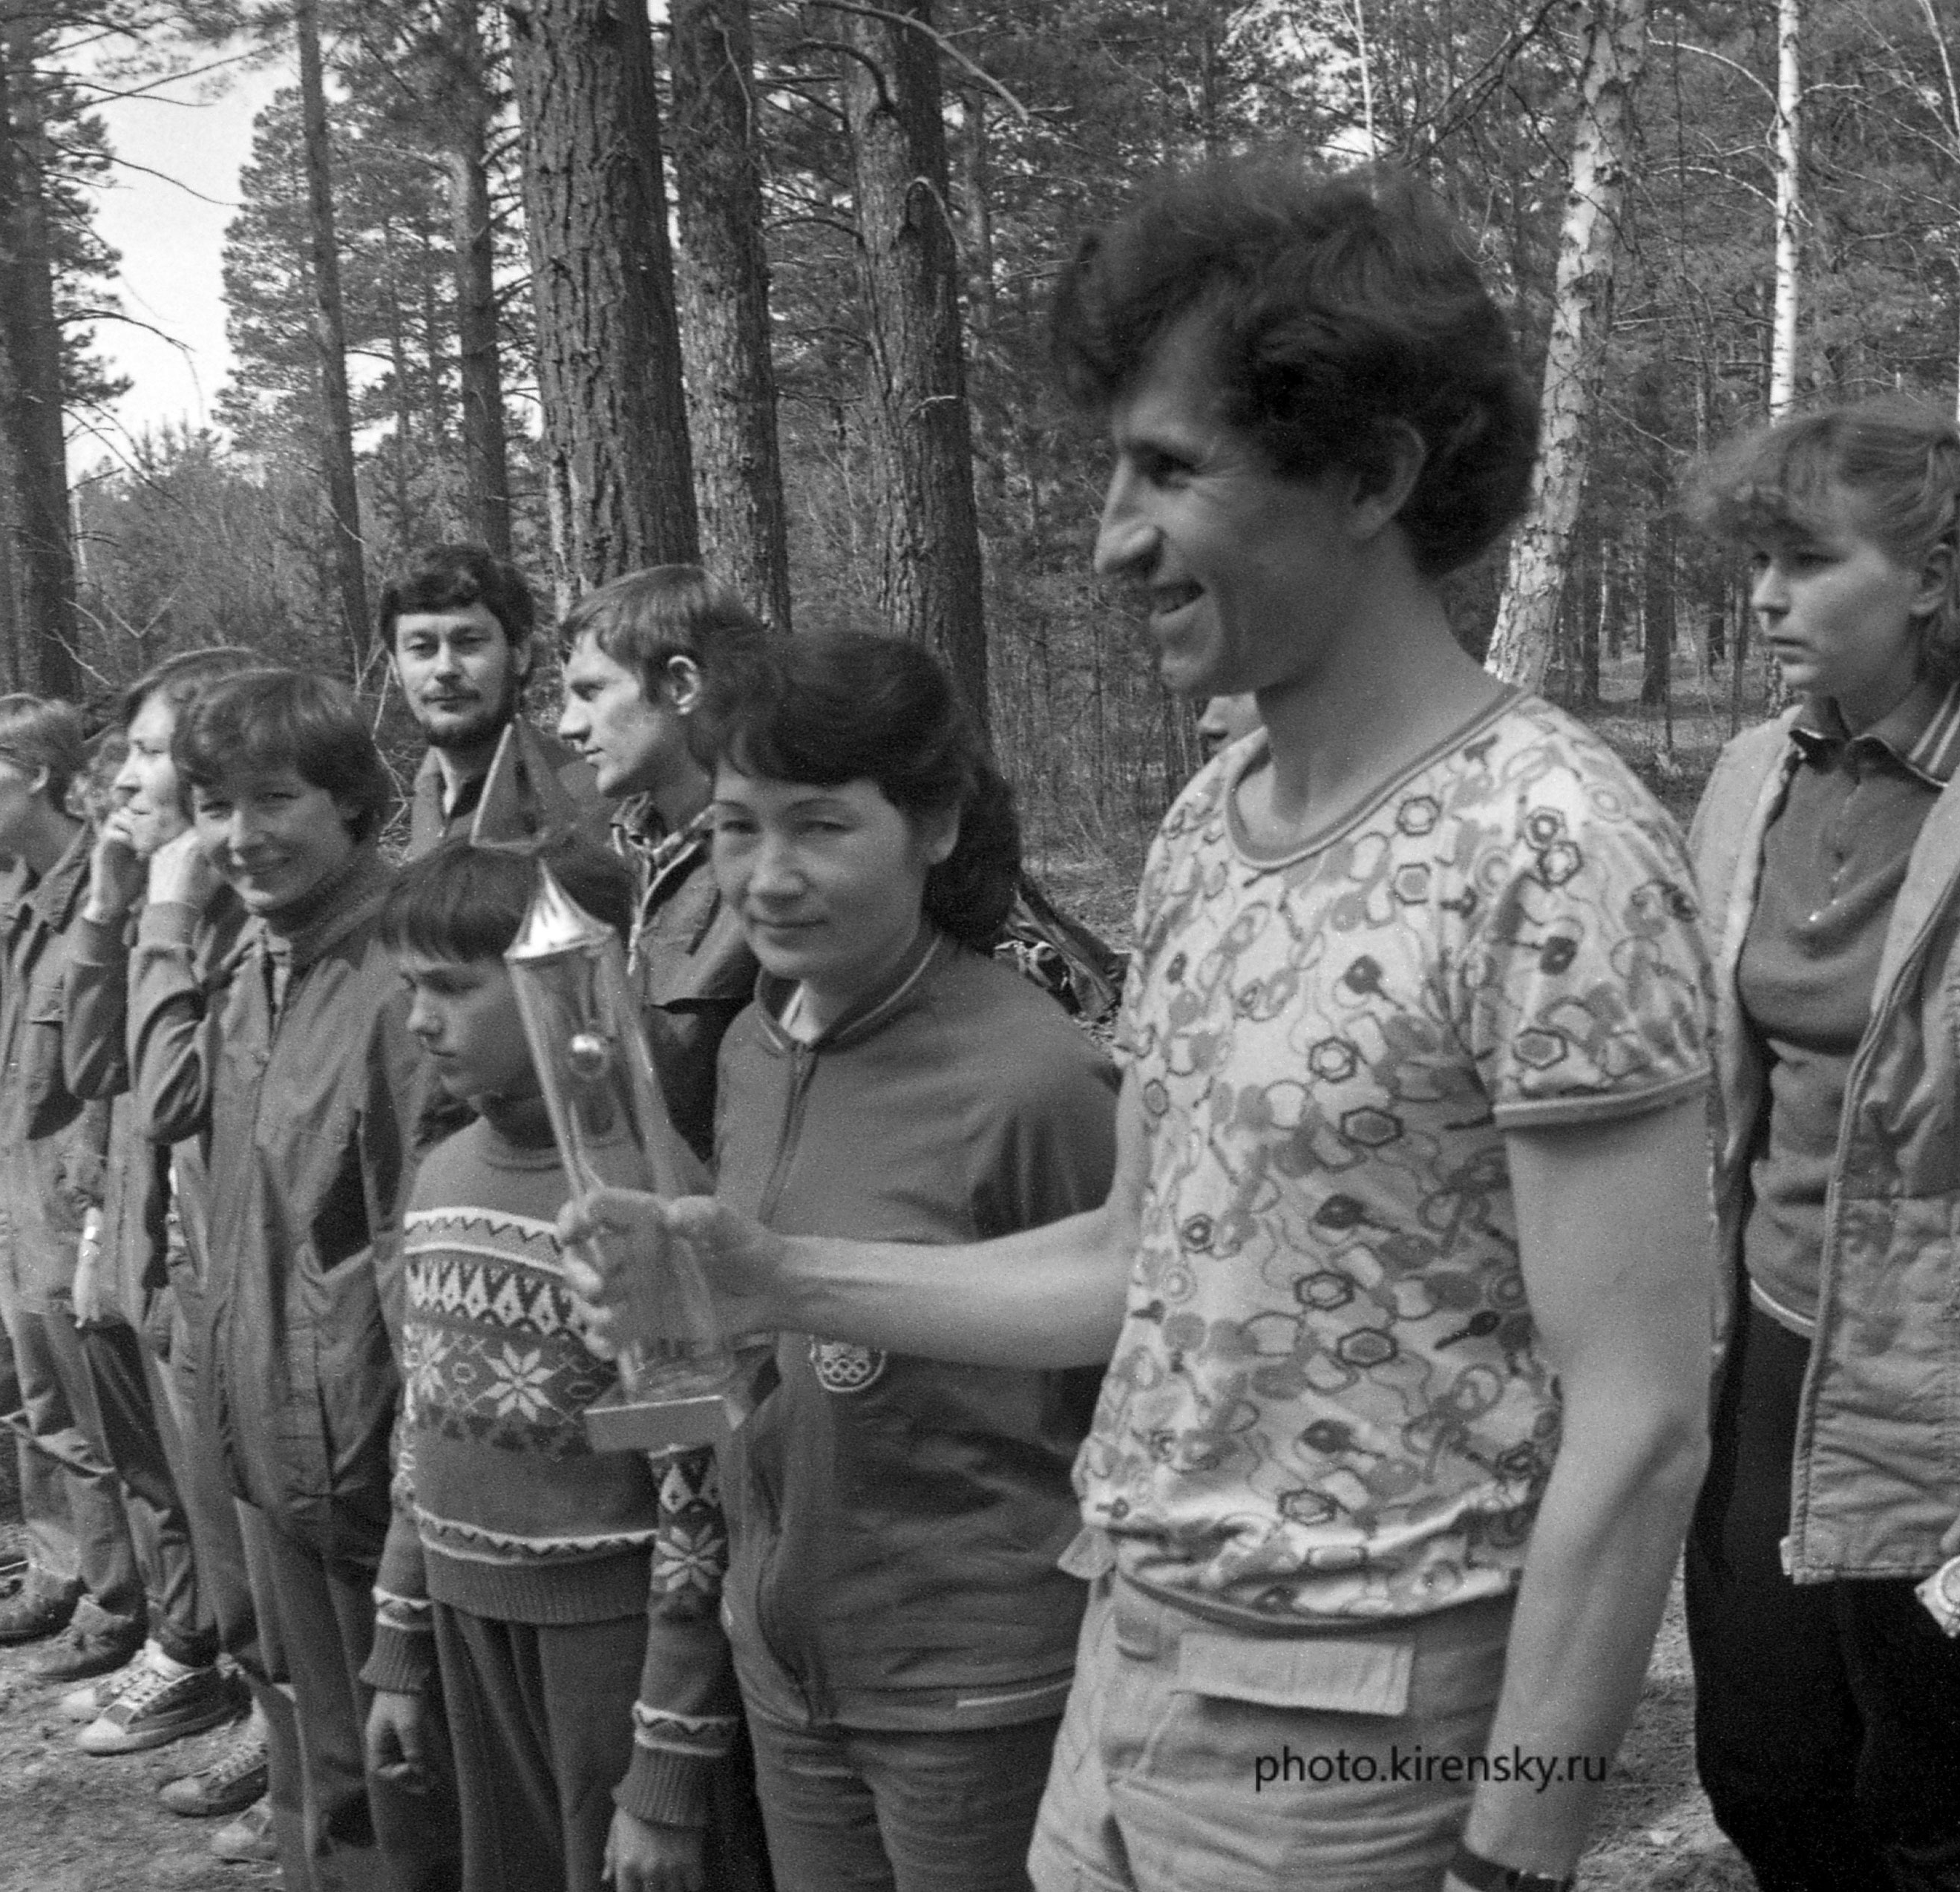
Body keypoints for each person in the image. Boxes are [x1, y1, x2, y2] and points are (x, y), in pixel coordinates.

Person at [565, 160, 1720, 1892]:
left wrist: (1517, 1845)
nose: (1111, 534)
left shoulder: (1547, 842)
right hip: (1123, 1659)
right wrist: (774, 1278)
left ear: (1369, 473)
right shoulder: (1207, 824)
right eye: (1114, 468)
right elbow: (1136, 1260)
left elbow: (1636, 1420)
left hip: (1356, 1728)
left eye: (1168, 470)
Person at [714, 633, 1120, 1890]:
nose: (768, 876)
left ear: (932, 825)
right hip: (787, 1674)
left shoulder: (1034, 1077)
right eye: (734, 827)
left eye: (819, 826)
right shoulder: (746, 1045)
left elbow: (1130, 1382)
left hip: (979, 1689)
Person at [358, 836, 757, 1892]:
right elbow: (420, 1428)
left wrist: (664, 1767)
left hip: (609, 1651)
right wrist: (401, 1643)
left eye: (452, 987)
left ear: (558, 988)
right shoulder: (440, 1175)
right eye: (409, 987)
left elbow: (698, 1503)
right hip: (469, 1632)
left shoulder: (639, 1199)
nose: (419, 1020)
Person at [1679, 395, 1960, 1891]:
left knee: (1928, 1789)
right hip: (1765, 1334)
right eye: (1752, 561)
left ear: (1927, 575)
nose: (1761, 598)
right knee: (1763, 1762)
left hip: (1932, 1364)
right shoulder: (1749, 773)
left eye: (1802, 560)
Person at [174, 667, 457, 1891]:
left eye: (272, 798)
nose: (239, 835)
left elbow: (422, 1268)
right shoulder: (257, 960)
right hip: (273, 1447)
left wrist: (406, 1521)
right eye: (212, 805)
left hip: (370, 1473)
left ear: (349, 798)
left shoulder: (402, 978)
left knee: (404, 1799)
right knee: (327, 1779)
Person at [62, 648, 266, 1775]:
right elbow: (92, 1067)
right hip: (166, 1250)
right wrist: (109, 906)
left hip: (232, 1264)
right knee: (204, 1501)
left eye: (151, 755)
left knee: (250, 1518)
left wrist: (165, 911)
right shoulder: (160, 905)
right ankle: (251, 1698)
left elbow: (177, 1090)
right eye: (130, 752)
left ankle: (279, 1727)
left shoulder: (239, 919)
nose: (124, 779)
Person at [0, 695, 153, 1685]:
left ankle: (146, 1624)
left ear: (36, 775)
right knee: (62, 1422)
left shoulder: (104, 895)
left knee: (120, 1439)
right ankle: (113, 1601)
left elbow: (107, 1080)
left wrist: (95, 1221)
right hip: (31, 1202)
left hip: (85, 1216)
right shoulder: (21, 899)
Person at [551, 566, 767, 1161]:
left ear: (680, 685)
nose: (568, 726)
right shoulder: (600, 855)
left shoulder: (774, 872)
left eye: (591, 692)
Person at [387, 543, 606, 857]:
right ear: (395, 668)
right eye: (422, 648)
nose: (445, 668)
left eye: (469, 643)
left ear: (520, 655)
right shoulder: (426, 797)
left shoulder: (584, 801)